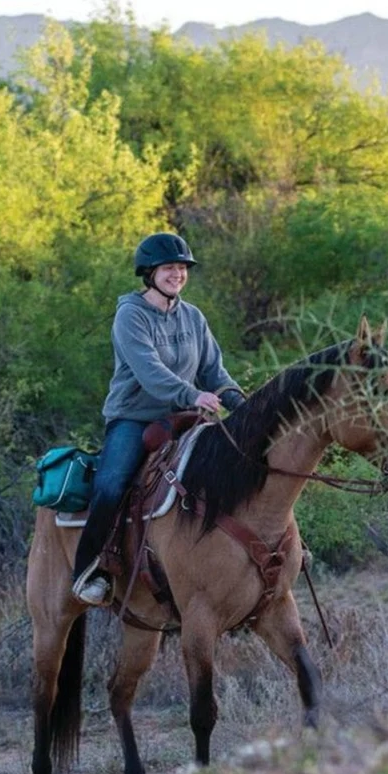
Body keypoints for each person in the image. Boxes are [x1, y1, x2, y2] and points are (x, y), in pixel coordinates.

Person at [71, 232, 245, 605]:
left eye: (182, 268)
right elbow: (150, 373)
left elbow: (215, 372)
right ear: (149, 273)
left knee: (240, 468)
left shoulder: (193, 317)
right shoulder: (130, 316)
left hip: (186, 418)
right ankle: (90, 569)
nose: (177, 275)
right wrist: (193, 394)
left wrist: (243, 405)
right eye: (169, 268)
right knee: (111, 484)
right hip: (135, 419)